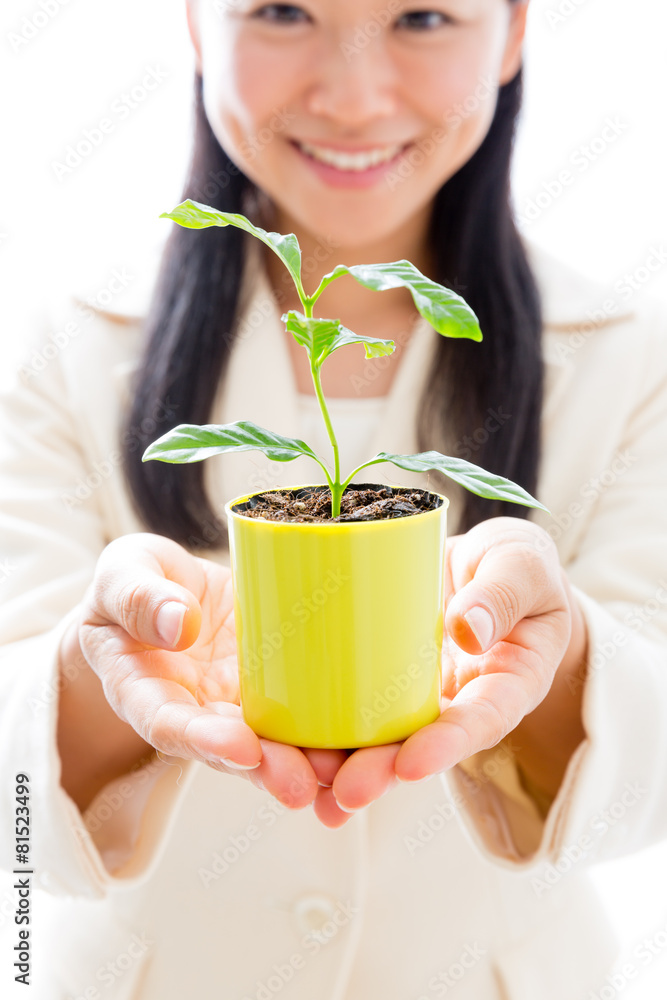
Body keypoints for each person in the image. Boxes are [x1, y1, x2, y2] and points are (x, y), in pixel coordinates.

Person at [1, 0, 666, 997]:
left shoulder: (628, 354)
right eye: (280, 11)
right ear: (192, 20)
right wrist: (98, 677)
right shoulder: (64, 344)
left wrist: (564, 653)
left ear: (515, 29)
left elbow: (645, 789)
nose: (353, 96)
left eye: (423, 17)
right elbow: (14, 821)